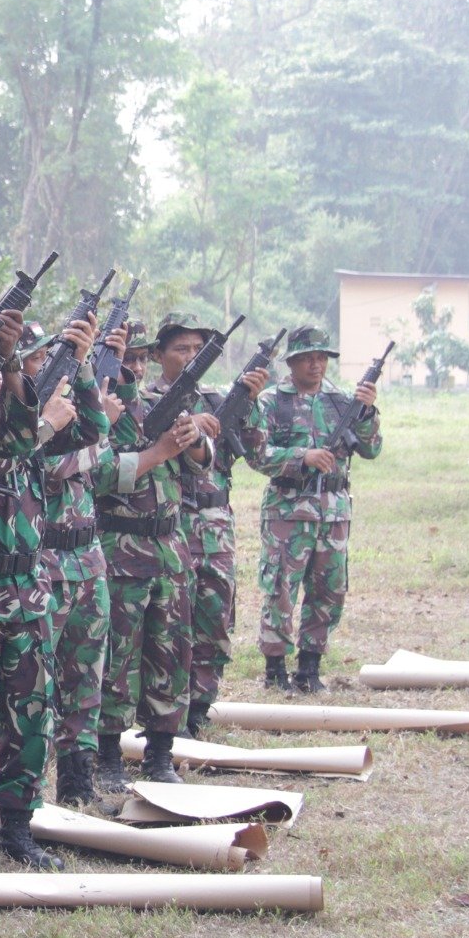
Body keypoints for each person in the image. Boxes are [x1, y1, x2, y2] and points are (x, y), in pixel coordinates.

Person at [0, 315, 91, 873]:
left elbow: (94, 430)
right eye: (18, 360)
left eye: (34, 359)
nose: (31, 370)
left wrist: (77, 365)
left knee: (33, 711)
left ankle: (17, 824)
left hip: (30, 585)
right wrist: (40, 428)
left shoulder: (26, 414)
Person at [92, 317, 211, 789]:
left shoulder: (161, 404)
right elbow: (93, 473)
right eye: (128, 358)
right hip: (122, 548)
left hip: (169, 548)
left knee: (171, 653)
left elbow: (203, 466)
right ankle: (107, 756)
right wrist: (157, 453)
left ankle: (160, 754)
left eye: (142, 358)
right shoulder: (97, 410)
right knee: (117, 657)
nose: (136, 367)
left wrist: (194, 441)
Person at [246, 324, 382, 693]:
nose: (316, 364)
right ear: (292, 362)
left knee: (329, 589)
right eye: (307, 358)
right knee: (280, 588)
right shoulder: (272, 402)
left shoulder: (342, 402)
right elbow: (256, 455)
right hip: (288, 511)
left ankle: (310, 666)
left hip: (334, 511)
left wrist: (368, 413)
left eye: (321, 357)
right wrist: (301, 457)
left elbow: (371, 449)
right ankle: (275, 669)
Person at [155, 313, 269, 735]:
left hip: (216, 525)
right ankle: (169, 713)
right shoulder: (148, 399)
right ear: (158, 355)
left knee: (215, 617)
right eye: (180, 348)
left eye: (196, 348)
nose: (189, 357)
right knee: (171, 621)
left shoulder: (220, 399)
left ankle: (201, 705)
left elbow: (257, 452)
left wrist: (249, 402)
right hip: (172, 524)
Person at [35, 322, 123, 806]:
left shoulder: (67, 412)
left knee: (86, 679)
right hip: (43, 563)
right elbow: (45, 462)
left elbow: (100, 434)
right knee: (37, 684)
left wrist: (86, 363)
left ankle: (76, 780)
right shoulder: (23, 418)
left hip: (88, 562)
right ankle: (26, 790)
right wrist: (91, 439)